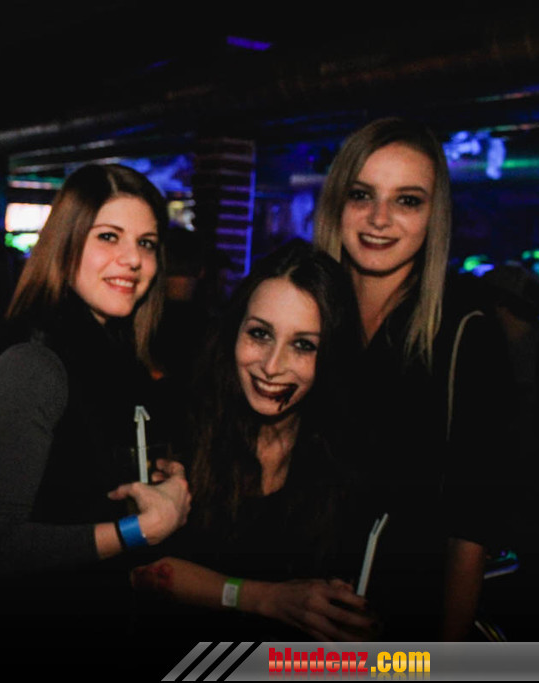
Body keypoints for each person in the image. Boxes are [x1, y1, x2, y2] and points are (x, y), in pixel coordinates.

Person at [0, 163, 191, 680]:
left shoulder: (111, 356)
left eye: (147, 243)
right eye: (109, 237)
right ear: (66, 243)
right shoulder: (35, 365)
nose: (132, 259)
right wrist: (140, 529)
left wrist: (149, 477)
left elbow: (69, 489)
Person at [313, 117, 514, 640]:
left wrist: (445, 661)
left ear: (433, 216)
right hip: (290, 612)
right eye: (362, 195)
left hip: (399, 630)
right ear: (337, 202)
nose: (379, 219)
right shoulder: (305, 314)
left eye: (407, 201)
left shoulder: (465, 333)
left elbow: (470, 526)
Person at [131, 239, 377, 644]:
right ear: (235, 331)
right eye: (260, 334)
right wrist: (265, 598)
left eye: (303, 345)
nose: (272, 366)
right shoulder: (175, 418)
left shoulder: (348, 454)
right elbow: (136, 570)